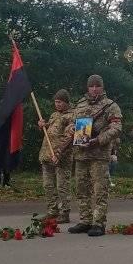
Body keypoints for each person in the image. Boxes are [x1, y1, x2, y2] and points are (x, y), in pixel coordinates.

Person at [68, 75, 123, 237]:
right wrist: (71, 129)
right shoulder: (80, 104)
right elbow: (71, 123)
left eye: (97, 86)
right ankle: (85, 220)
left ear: (102, 87)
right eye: (91, 86)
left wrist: (98, 140)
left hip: (99, 154)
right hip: (81, 153)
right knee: (81, 189)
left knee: (100, 190)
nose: (93, 89)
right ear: (87, 87)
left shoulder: (110, 106)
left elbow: (117, 128)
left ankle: (98, 223)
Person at [38, 90, 74, 223]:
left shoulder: (72, 116)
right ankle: (52, 211)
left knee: (62, 186)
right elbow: (52, 131)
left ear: (66, 102)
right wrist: (44, 125)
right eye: (56, 102)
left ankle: (64, 213)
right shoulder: (54, 115)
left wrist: (60, 153)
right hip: (47, 154)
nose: (57, 104)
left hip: (61, 156)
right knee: (48, 185)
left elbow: (69, 137)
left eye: (60, 102)